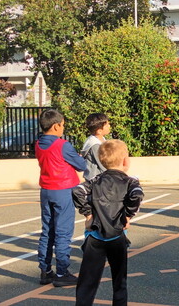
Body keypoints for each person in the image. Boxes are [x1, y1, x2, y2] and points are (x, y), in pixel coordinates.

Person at [72, 139, 144, 306]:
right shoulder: (130, 182)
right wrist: (127, 216)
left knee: (88, 280)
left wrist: (88, 215)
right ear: (126, 161)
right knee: (119, 281)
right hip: (117, 236)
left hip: (95, 237)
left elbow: (77, 191)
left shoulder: (95, 180)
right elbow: (137, 195)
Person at [35, 109, 86, 287]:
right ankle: (62, 272)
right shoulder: (62, 145)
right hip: (63, 189)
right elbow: (81, 165)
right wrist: (79, 158)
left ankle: (45, 270)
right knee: (63, 233)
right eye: (62, 124)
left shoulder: (39, 143)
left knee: (47, 231)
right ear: (56, 125)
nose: (63, 127)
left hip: (46, 190)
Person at [81, 113, 110, 180]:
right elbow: (102, 164)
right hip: (95, 180)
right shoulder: (95, 145)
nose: (109, 126)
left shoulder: (102, 139)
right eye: (107, 125)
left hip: (102, 178)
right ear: (99, 131)